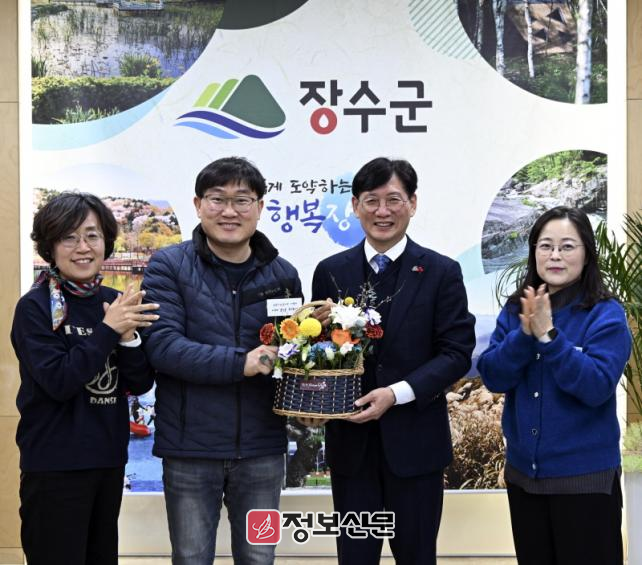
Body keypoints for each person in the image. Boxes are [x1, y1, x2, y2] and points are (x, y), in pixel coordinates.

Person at [310, 157, 476, 565]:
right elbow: (318, 352)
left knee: (417, 557)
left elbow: (456, 353)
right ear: (355, 206)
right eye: (371, 200)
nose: (382, 211)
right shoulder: (330, 272)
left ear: (412, 204)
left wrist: (396, 394)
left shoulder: (441, 272)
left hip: (416, 446)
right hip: (351, 449)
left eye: (393, 200)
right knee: (355, 557)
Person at [141, 157, 302, 565]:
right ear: (198, 205)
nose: (230, 211)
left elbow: (290, 354)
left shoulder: (283, 275)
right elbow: (163, 347)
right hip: (190, 451)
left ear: (260, 207)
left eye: (242, 200)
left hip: (264, 453)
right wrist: (241, 362)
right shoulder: (168, 266)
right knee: (191, 557)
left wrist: (309, 399)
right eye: (217, 199)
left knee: (260, 557)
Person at [11, 191, 159, 565]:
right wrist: (109, 329)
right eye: (69, 237)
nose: (83, 247)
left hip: (108, 459)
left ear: (106, 242)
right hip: (55, 463)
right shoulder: (35, 307)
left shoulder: (114, 300)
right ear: (50, 246)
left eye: (92, 236)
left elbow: (140, 383)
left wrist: (128, 337)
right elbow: (59, 381)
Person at [477, 206, 631, 565]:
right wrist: (524, 335)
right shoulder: (516, 309)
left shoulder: (605, 313)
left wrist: (548, 336)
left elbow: (596, 386)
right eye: (545, 246)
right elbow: (494, 376)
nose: (555, 255)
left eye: (567, 246)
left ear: (587, 254)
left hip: (585, 483)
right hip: (524, 480)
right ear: (534, 253)